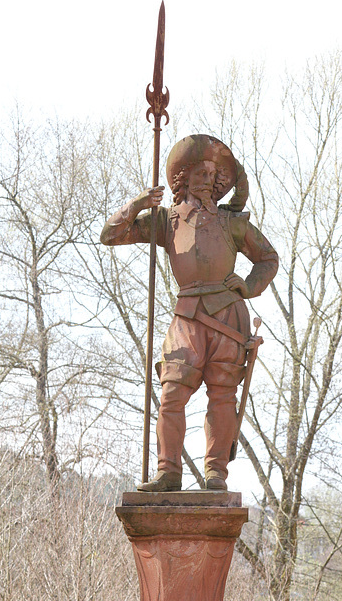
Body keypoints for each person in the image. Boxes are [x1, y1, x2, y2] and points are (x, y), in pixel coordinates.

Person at [101, 135, 278, 491]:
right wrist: (138, 204)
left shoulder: (233, 223)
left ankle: (216, 474)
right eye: (199, 173)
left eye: (212, 174)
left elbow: (268, 258)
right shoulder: (167, 221)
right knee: (171, 394)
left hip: (228, 318)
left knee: (222, 396)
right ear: (183, 178)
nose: (207, 180)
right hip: (186, 318)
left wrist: (247, 285)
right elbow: (111, 234)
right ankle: (168, 472)